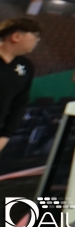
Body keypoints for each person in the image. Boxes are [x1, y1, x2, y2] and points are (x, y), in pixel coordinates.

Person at [0, 18, 41, 154]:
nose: (38, 40)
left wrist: (5, 136)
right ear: (16, 36)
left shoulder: (26, 66)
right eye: (35, 35)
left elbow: (20, 104)